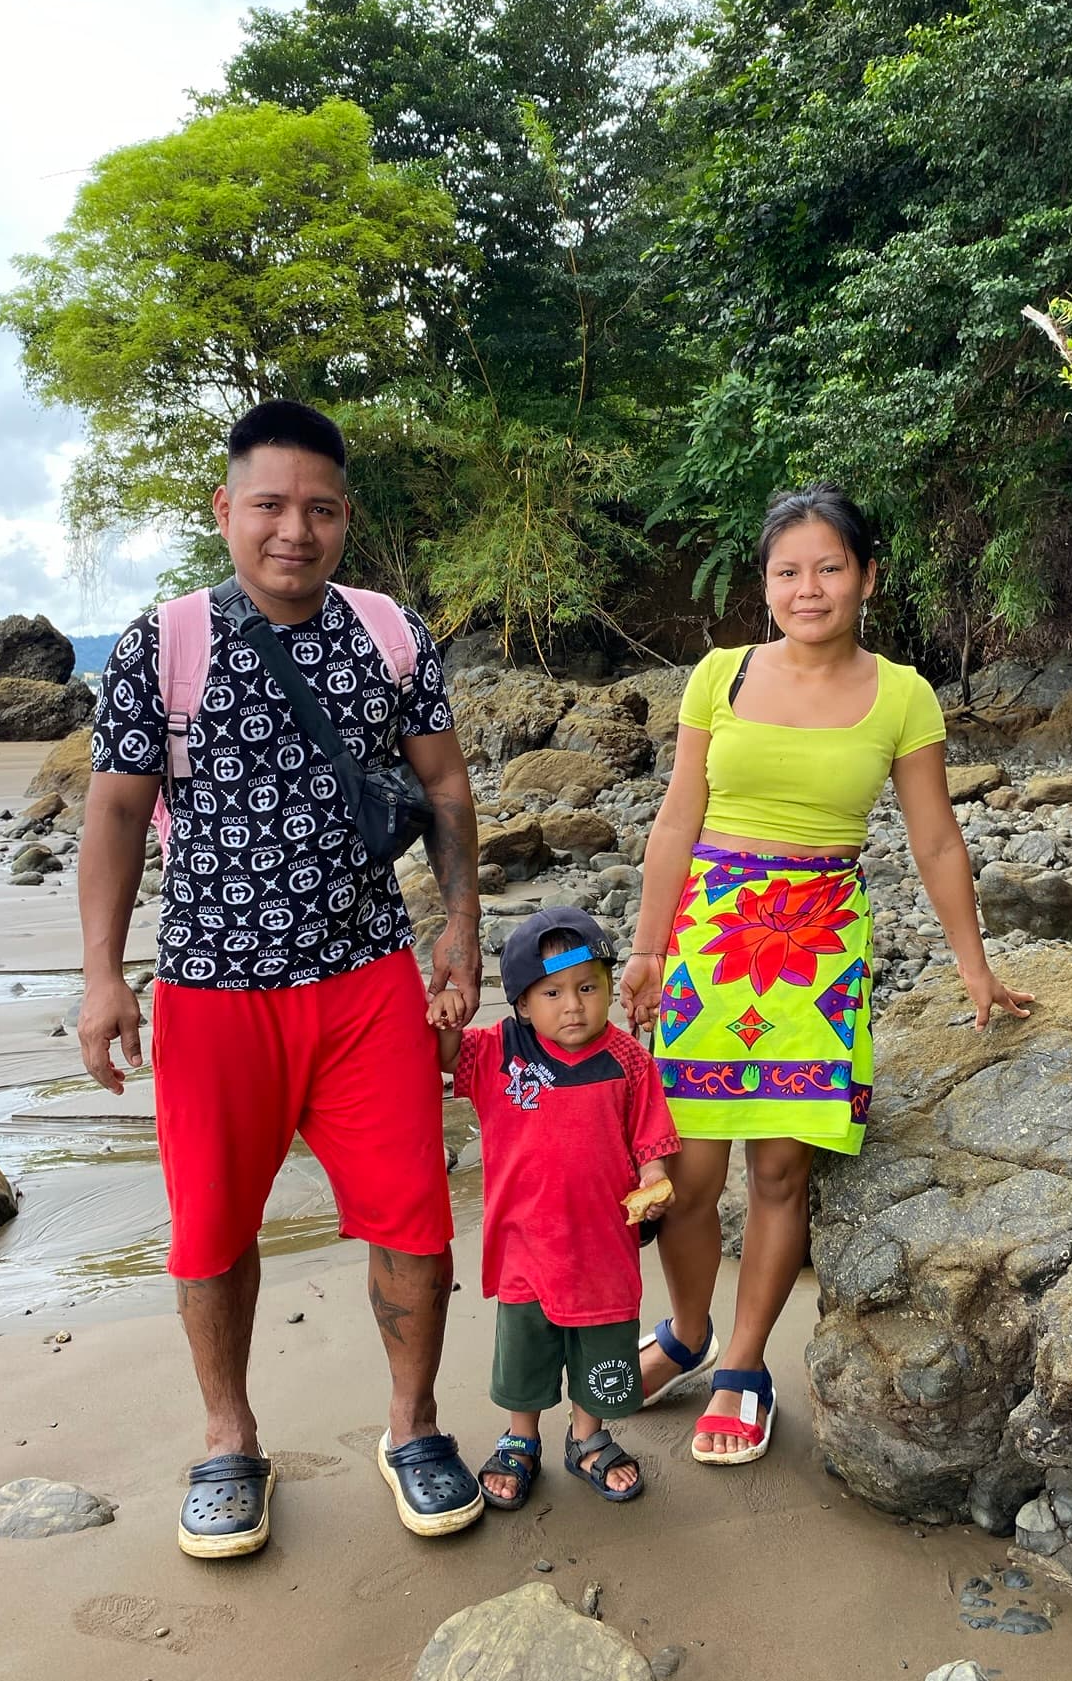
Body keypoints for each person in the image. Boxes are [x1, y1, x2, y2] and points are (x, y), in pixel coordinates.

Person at [78, 398, 485, 1556]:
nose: (292, 529)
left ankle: (412, 1425)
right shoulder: (163, 642)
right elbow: (112, 812)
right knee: (210, 1230)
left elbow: (445, 786)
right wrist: (105, 977)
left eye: (318, 508)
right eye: (269, 505)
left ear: (345, 517)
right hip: (211, 987)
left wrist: (458, 924)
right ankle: (228, 1438)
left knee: (412, 1219)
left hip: (364, 981)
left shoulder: (392, 634)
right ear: (226, 510)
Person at [620, 485, 1032, 1466]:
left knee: (778, 1168)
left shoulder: (901, 694)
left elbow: (934, 837)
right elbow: (676, 818)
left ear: (867, 575)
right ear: (764, 583)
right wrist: (644, 944)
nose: (809, 589)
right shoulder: (719, 676)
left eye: (829, 567)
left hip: (816, 947)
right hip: (709, 944)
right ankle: (686, 1331)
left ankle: (745, 1362)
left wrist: (973, 965)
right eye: (787, 571)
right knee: (684, 1173)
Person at [429, 909, 680, 1508]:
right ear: (520, 1003)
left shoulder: (628, 1059)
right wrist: (441, 1013)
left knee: (601, 1350)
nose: (573, 1006)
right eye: (552, 992)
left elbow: (652, 1142)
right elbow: (444, 1055)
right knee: (526, 1351)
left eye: (588, 987)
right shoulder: (499, 1052)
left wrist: (654, 1178)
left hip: (601, 1246)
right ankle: (521, 1438)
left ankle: (589, 1438)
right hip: (525, 1244)